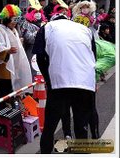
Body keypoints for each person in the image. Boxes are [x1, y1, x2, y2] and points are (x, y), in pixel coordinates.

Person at [32, 12, 97, 153]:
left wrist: (49, 80)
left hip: (60, 82)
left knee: (50, 126)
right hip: (85, 82)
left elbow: (39, 57)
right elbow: (93, 57)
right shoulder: (84, 29)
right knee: (81, 127)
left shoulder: (47, 27)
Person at [0, 4, 32, 112]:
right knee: (2, 91)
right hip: (4, 67)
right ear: (6, 18)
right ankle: (0, 112)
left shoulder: (13, 30)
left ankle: (8, 111)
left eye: (17, 19)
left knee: (10, 89)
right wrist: (7, 51)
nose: (15, 22)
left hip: (14, 64)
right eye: (13, 19)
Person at [18, 6, 47, 80]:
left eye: (39, 12)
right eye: (35, 12)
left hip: (42, 51)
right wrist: (39, 32)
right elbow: (29, 39)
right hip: (31, 51)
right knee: (31, 70)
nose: (38, 14)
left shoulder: (43, 23)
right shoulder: (26, 24)